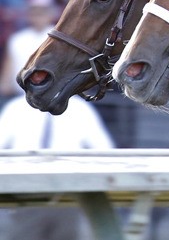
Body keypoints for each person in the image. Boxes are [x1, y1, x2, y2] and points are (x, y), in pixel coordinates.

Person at [0, 92, 114, 240]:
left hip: (67, 198)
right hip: (25, 196)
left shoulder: (81, 110)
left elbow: (104, 151)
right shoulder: (15, 108)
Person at [0, 0, 58, 97]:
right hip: (21, 98)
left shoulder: (61, 39)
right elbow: (5, 82)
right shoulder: (16, 39)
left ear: (51, 12)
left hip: (55, 98)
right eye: (34, 10)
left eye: (43, 10)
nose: (38, 14)